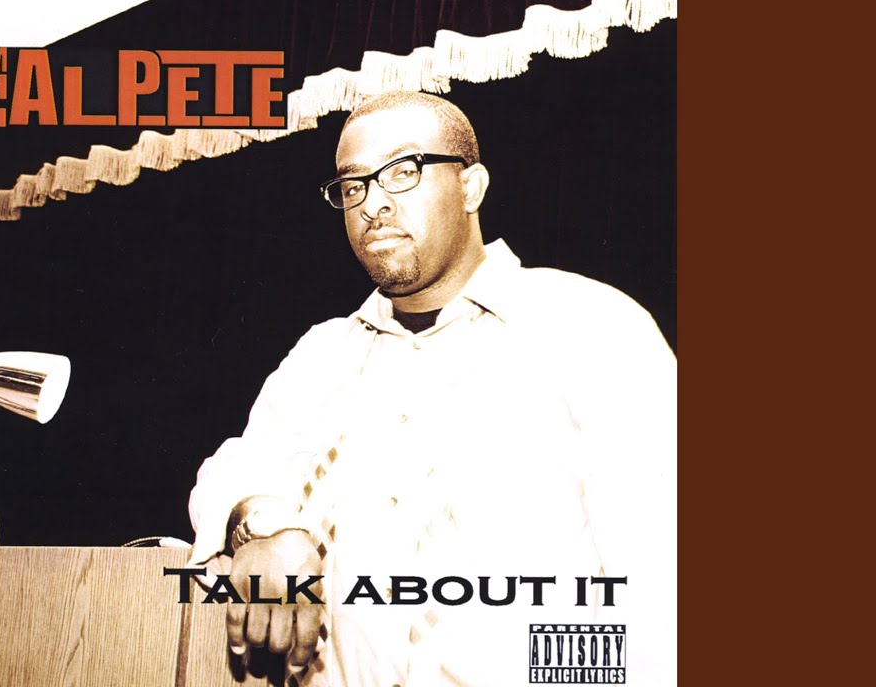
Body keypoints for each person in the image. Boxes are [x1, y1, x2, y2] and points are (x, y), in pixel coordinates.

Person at [187, 91, 676, 687]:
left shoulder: (589, 325)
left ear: (471, 187)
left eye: (403, 171)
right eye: (353, 185)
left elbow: (660, 584)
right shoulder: (325, 353)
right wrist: (267, 531)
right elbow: (235, 467)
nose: (374, 204)